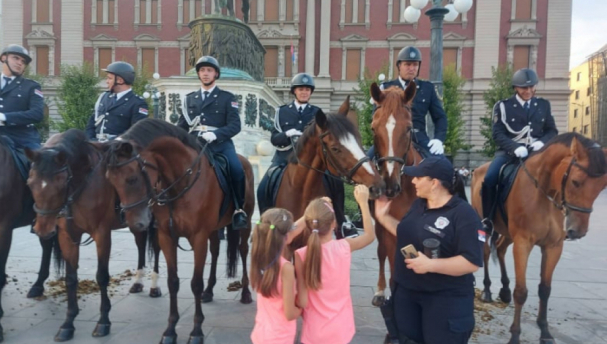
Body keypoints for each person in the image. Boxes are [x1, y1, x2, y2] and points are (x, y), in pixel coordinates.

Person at [374, 156, 484, 344]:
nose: (413, 181)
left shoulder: (464, 215)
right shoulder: (419, 205)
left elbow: (471, 262)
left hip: (443, 301)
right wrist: (383, 217)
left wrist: (431, 265)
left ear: (434, 183)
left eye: (418, 177)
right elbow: (404, 233)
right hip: (407, 295)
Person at [258, 72, 357, 238]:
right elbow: (275, 138)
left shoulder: (317, 113)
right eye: (300, 89)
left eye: (307, 90)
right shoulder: (281, 112)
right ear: (294, 91)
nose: (304, 92)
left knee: (336, 182)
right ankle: (264, 223)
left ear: (311, 92)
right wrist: (287, 134)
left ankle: (342, 222)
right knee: (264, 185)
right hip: (285, 158)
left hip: (312, 162)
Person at [294, 185, 375, 344]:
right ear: (333, 224)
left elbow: (302, 300)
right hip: (341, 332)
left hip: (313, 334)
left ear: (309, 225)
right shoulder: (344, 247)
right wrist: (363, 203)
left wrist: (308, 215)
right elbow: (369, 235)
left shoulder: (301, 254)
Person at [481, 68, 558, 232]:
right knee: (489, 178)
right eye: (524, 88)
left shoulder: (543, 105)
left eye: (531, 87)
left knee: (560, 177)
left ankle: (560, 217)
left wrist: (541, 143)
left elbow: (552, 131)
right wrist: (515, 147)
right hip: (509, 154)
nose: (528, 91)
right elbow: (497, 133)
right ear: (516, 87)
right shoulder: (503, 106)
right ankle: (487, 219)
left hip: (537, 153)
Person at [177, 55, 248, 230]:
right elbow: (181, 126)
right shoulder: (190, 99)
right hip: (195, 144)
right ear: (198, 74)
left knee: (237, 169)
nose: (205, 74)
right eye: (202, 70)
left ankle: (238, 209)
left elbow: (235, 125)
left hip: (220, 144)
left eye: (209, 70)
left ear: (216, 74)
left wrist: (215, 134)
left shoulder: (226, 97)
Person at [368, 46, 448, 158]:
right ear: (399, 66)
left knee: (444, 167)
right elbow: (375, 116)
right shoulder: (386, 88)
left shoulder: (427, 88)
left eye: (415, 65)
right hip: (391, 137)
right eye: (407, 64)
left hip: (419, 138)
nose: (412, 68)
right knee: (365, 164)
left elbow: (440, 117)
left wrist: (439, 139)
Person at [250, 208, 306, 344]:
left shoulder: (258, 259)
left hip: (261, 334)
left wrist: (307, 216)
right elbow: (289, 313)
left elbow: (285, 232)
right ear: (287, 237)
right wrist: (301, 308)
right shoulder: (286, 268)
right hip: (280, 338)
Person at [0, 44, 44, 150]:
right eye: (16, 58)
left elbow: (37, 114)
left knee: (40, 163)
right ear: (4, 58)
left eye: (23, 61)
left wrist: (2, 116)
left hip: (22, 139)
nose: (19, 63)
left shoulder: (31, 86)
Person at [85, 61, 148, 142]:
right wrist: (91, 141)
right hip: (97, 146)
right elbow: (91, 123)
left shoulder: (137, 103)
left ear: (120, 80)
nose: (107, 81)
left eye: (110, 78)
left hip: (119, 148)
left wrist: (112, 142)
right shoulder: (103, 97)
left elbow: (137, 132)